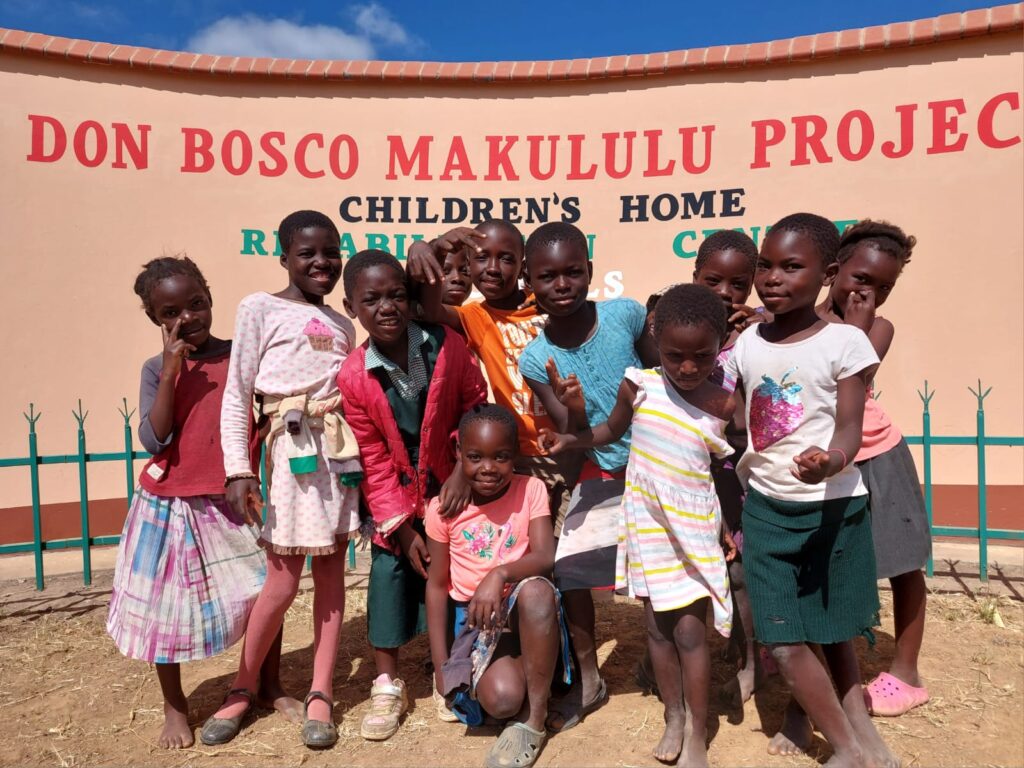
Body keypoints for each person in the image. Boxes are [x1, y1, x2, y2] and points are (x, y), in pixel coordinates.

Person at [722, 212, 897, 768]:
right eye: (765, 266)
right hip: (767, 511)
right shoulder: (747, 343)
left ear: (828, 275)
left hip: (833, 510)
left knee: (833, 626)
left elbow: (849, 426)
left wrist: (831, 462)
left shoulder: (846, 342)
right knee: (782, 639)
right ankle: (847, 747)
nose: (772, 278)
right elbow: (733, 413)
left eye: (791, 267)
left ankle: (856, 734)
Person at [540, 284, 737, 767]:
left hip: (692, 528)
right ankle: (673, 714)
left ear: (719, 346)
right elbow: (611, 430)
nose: (687, 368)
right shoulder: (639, 385)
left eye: (702, 356)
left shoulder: (723, 404)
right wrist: (571, 439)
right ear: (655, 339)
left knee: (690, 633)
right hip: (648, 525)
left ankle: (697, 730)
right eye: (674, 355)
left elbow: (718, 471)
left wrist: (724, 524)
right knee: (656, 630)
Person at [108, 256, 297, 750]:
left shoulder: (242, 358)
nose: (187, 318)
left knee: (265, 593)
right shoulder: (157, 369)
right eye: (171, 312)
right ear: (155, 318)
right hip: (169, 503)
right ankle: (175, 705)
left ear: (210, 299)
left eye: (196, 304)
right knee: (162, 609)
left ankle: (266, 683)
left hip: (234, 497)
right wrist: (172, 370)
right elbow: (155, 438)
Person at [202, 210, 361, 750]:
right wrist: (239, 469)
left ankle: (320, 692)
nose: (322, 262)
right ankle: (242, 687)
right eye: (307, 253)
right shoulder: (259, 308)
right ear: (284, 258)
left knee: (332, 576)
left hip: (336, 454)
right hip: (289, 454)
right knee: (283, 580)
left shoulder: (342, 324)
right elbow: (237, 392)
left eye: (331, 252)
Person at [337, 249, 487, 741]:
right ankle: (386, 682)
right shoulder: (354, 375)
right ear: (351, 307)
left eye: (397, 295)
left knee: (453, 574)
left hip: (450, 486)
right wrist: (400, 528)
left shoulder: (445, 346)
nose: (387, 307)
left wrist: (463, 469)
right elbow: (372, 456)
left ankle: (450, 668)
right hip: (396, 498)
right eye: (371, 300)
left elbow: (474, 406)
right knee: (390, 572)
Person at [517, 221, 655, 732]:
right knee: (571, 568)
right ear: (530, 281)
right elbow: (569, 432)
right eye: (547, 276)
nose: (562, 285)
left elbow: (662, 381)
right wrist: (572, 404)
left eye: (573, 272)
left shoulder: (626, 315)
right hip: (599, 463)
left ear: (590, 271)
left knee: (659, 568)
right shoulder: (536, 358)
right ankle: (590, 678)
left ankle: (660, 662)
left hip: (657, 460)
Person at [818, 220, 931, 715]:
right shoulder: (798, 320)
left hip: (876, 454)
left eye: (884, 287)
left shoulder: (876, 329)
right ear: (833, 271)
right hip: (823, 462)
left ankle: (906, 672)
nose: (870, 293)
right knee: (824, 562)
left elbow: (850, 376)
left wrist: (856, 328)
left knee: (903, 563)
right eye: (862, 279)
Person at [407, 220, 578, 534]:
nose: (493, 268)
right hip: (518, 456)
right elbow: (429, 310)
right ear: (469, 264)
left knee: (568, 548)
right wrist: (429, 249)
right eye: (482, 257)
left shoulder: (547, 304)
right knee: (526, 544)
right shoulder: (476, 316)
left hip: (570, 446)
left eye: (506, 258)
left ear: (523, 267)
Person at [426, 405, 568, 768]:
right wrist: (441, 667)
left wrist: (500, 574)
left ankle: (535, 718)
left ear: (515, 454)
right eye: (475, 457)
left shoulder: (531, 489)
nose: (488, 468)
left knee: (537, 590)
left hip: (526, 611)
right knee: (502, 701)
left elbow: (546, 555)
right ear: (459, 454)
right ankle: (537, 670)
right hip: (478, 626)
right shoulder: (443, 509)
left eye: (501, 457)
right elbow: (437, 587)